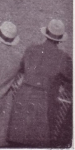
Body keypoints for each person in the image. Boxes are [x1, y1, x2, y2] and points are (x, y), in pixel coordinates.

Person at [7, 19, 73, 147]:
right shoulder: (63, 57)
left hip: (23, 96)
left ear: (46, 34)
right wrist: (64, 89)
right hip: (44, 101)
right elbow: (71, 79)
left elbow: (21, 68)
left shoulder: (31, 49)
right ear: (60, 39)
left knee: (16, 139)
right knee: (37, 142)